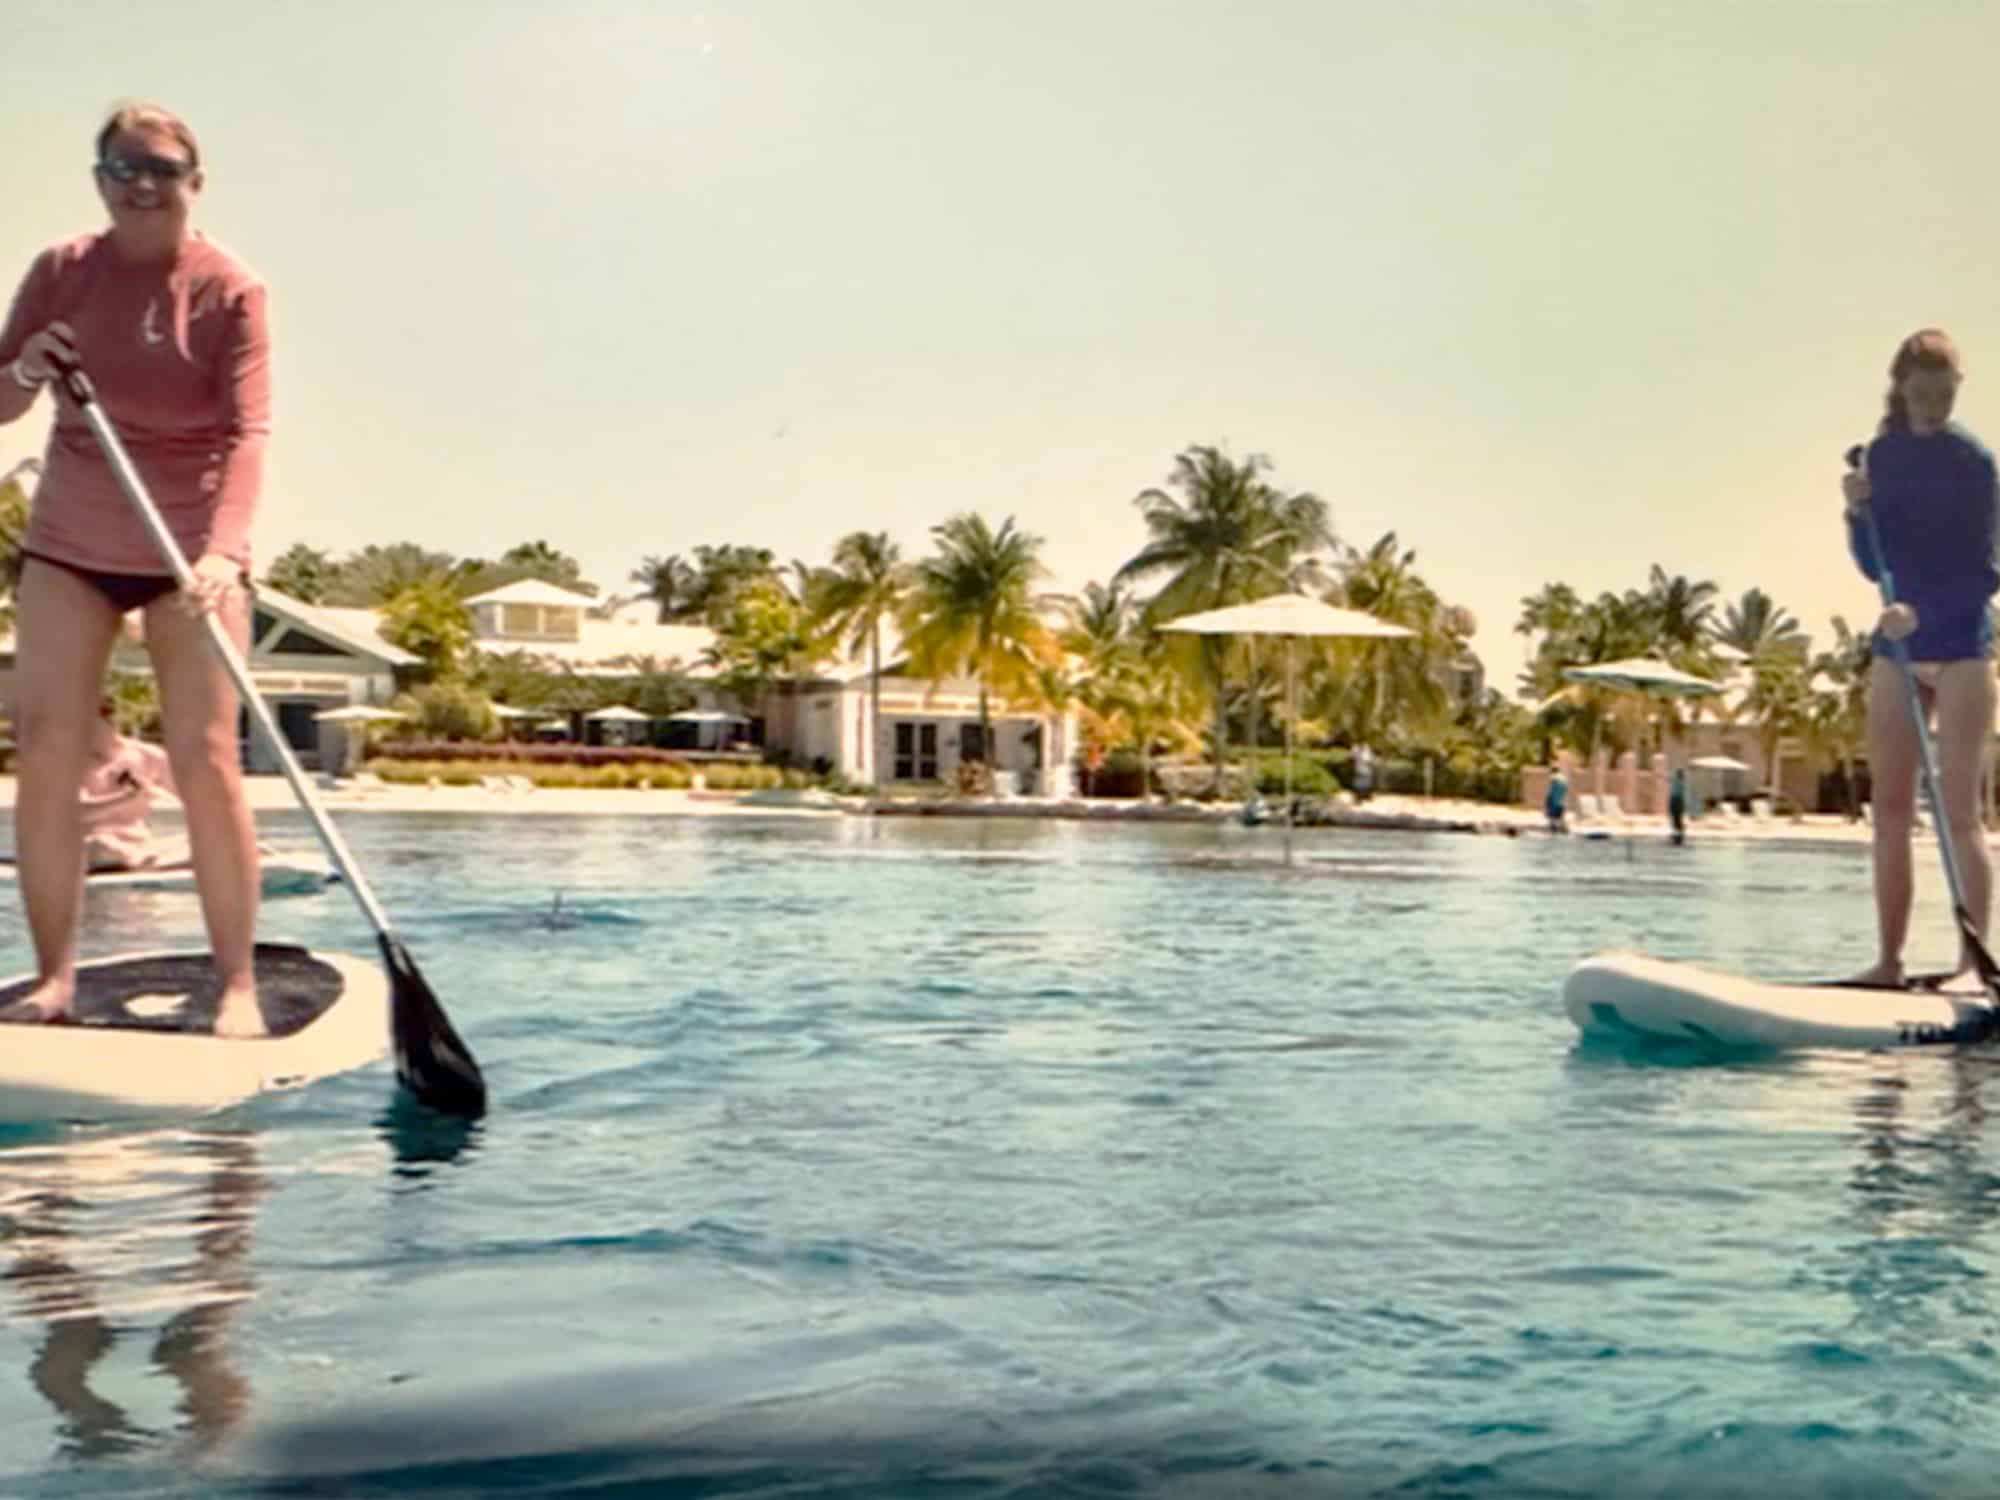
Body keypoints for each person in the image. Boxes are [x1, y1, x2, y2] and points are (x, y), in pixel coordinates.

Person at [0, 103, 270, 1035]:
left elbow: (249, 433)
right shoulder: (61, 272)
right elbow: (0, 401)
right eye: (120, 168)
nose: (140, 184)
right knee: (44, 753)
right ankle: (54, 980)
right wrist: (27, 367)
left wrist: (224, 553)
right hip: (72, 540)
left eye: (159, 168)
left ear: (195, 181)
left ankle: (235, 985)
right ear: (99, 180)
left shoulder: (231, 290)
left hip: (187, 553)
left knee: (204, 759)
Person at [1842, 328, 2000, 989]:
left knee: (1962, 814)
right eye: (1925, 392)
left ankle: (1973, 967)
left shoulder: (1977, 464)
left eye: (1947, 393)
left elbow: (1988, 569)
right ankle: (1888, 962)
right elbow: (1870, 561)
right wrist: (1855, 514)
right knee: (1892, 812)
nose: (1936, 405)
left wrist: (1925, 616)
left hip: (1962, 643)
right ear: (1902, 386)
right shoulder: (1880, 457)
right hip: (1897, 648)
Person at [81, 700, 181, 872]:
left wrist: (151, 791)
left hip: (138, 843)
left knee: (204, 844)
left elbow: (193, 798)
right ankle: (138, 862)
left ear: (108, 721)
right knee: (100, 845)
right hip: (93, 845)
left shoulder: (148, 755)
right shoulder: (70, 763)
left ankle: (140, 860)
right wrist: (126, 797)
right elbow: (78, 813)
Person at [1544, 765, 1569, 835]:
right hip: (1562, 800)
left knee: (1551, 815)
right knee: (1560, 816)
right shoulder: (1564, 778)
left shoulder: (1553, 777)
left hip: (1554, 799)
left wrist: (1547, 798)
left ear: (1552, 771)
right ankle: (1564, 829)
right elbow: (1566, 789)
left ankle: (1553, 828)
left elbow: (1551, 789)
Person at [1667, 767, 1688, 847]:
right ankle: (1678, 834)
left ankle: (1678, 834)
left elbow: (1668, 779)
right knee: (1676, 818)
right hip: (1676, 801)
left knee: (1677, 818)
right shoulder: (1680, 782)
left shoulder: (1679, 782)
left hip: (1676, 801)